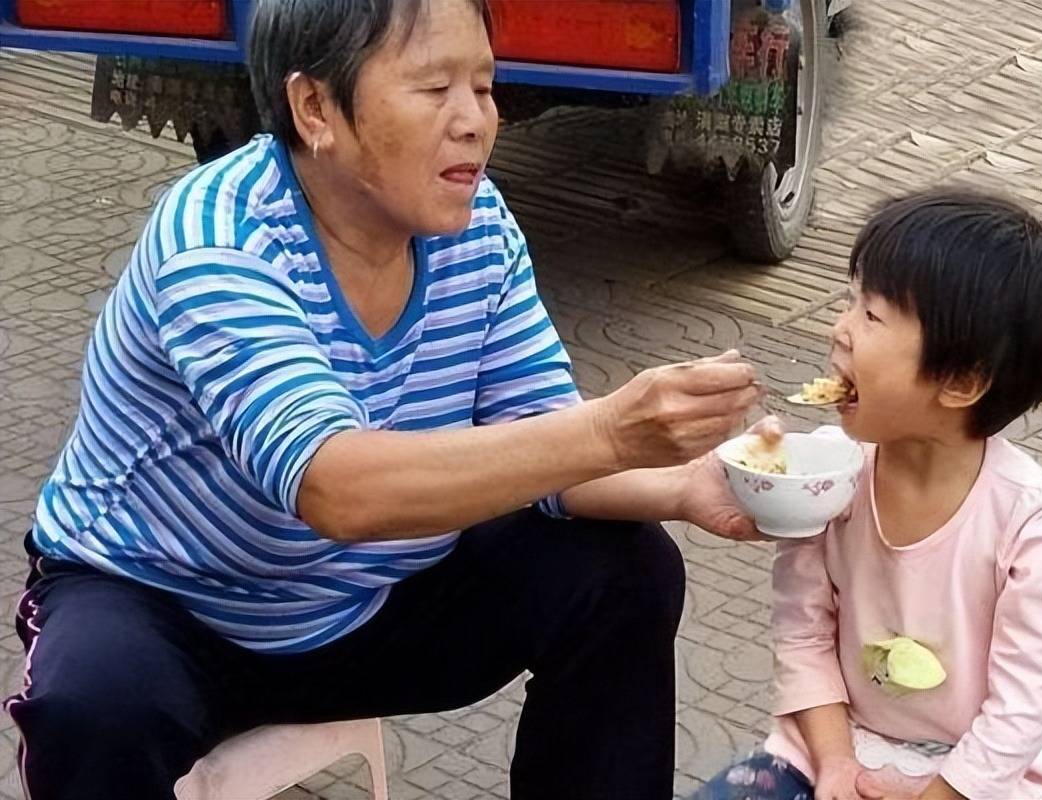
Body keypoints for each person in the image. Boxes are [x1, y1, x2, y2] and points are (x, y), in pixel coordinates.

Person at [2, 2, 769, 798]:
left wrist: (687, 484)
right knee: (90, 709)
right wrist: (613, 429)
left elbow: (546, 446)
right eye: (435, 88)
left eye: (484, 84)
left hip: (369, 607)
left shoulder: (478, 227)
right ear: (315, 109)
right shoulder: (217, 240)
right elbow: (338, 487)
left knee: (626, 569)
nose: (476, 121)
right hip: (173, 611)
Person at [694, 190, 1042, 800]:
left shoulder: (1030, 522)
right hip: (835, 744)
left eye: (871, 316)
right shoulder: (828, 477)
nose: (841, 330)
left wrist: (941, 793)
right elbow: (803, 632)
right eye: (850, 301)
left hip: (985, 775)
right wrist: (835, 765)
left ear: (959, 381)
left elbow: (1031, 698)